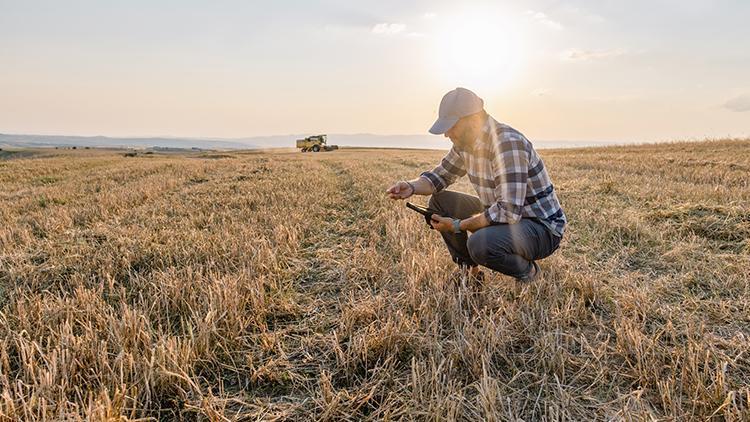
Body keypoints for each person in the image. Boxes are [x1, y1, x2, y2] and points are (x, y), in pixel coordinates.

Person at [386, 87, 566, 283]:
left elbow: (509, 211)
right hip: (504, 215)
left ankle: (529, 273)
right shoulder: (466, 144)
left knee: (480, 244)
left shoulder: (507, 143)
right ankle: (470, 274)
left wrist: (457, 225)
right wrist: (410, 187)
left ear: (473, 119)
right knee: (441, 201)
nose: (447, 134)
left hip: (540, 227)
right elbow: (438, 177)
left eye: (452, 126)